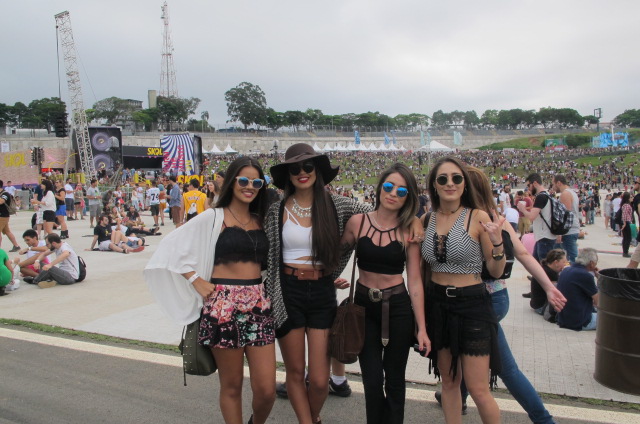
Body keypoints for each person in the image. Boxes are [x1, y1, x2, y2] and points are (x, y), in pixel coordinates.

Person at [145, 157, 275, 424]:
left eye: (256, 182)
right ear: (231, 182)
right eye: (243, 180)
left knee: (266, 390)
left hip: (259, 306)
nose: (249, 186)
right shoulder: (213, 217)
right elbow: (171, 246)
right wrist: (194, 278)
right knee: (232, 385)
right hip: (222, 306)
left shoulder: (261, 220)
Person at [434, 166, 566, 424]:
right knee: (464, 358)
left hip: (481, 301)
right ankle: (457, 397)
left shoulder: (479, 220)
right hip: (496, 297)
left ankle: (543, 418)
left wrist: (550, 287)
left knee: (504, 367)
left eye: (459, 181)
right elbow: (524, 254)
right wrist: (549, 287)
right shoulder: (493, 217)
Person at [265, 143, 374, 424]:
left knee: (320, 380)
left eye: (308, 167)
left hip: (322, 291)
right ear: (287, 175)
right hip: (286, 291)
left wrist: (415, 223)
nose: (302, 173)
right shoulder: (276, 210)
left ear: (318, 171)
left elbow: (375, 215)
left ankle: (310, 419)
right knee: (295, 371)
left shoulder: (337, 204)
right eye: (295, 169)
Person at [340, 163, 429, 424]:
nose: (393, 194)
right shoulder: (358, 222)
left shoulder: (409, 230)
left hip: (398, 306)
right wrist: (331, 276)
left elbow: (414, 280)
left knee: (394, 379)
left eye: (402, 191)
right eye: (389, 187)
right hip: (363, 307)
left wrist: (421, 328)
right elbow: (336, 253)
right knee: (372, 378)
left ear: (408, 197)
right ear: (380, 189)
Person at [420, 156, 505, 424]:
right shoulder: (426, 219)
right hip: (437, 304)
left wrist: (497, 244)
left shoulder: (477, 216)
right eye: (442, 179)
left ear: (464, 184)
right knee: (448, 382)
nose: (450, 184)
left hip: (472, 305)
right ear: (434, 185)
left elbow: (494, 270)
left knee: (479, 389)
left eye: (456, 178)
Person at [518, 173, 557, 263]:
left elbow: (531, 217)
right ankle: (536, 278)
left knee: (543, 265)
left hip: (544, 237)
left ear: (534, 183)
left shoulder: (541, 197)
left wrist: (522, 209)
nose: (528, 188)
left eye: (529, 185)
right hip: (545, 236)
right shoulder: (547, 195)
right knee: (536, 263)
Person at [557, 248, 599, 331]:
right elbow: (599, 302)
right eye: (596, 263)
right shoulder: (586, 276)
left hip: (563, 319)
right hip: (580, 321)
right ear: (591, 263)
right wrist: (600, 279)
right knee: (613, 319)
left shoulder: (566, 270)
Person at [530, 249, 567, 316]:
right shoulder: (550, 273)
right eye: (564, 262)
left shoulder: (544, 268)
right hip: (541, 306)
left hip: (535, 304)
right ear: (556, 262)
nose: (565, 264)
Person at [552, 176, 580, 263]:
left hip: (568, 231)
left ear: (559, 183)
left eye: (553, 184)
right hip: (572, 228)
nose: (552, 187)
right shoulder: (572, 192)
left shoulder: (565, 194)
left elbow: (565, 215)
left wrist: (559, 233)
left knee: (571, 258)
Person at [0, 180, 21, 252]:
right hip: (2, 216)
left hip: (3, 216)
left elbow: (1, 201)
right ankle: (16, 246)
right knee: (7, 231)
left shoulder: (5, 194)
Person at [620, 192, 633, 258]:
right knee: (628, 237)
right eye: (630, 197)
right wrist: (624, 223)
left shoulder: (624, 205)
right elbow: (624, 214)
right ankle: (625, 252)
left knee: (625, 237)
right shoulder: (627, 205)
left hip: (626, 222)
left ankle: (625, 251)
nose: (632, 198)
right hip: (626, 222)